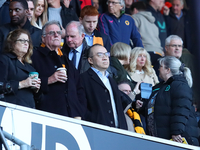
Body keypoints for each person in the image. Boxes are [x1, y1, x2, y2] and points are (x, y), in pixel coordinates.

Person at [31, 20, 86, 119]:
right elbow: (29, 83)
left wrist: (79, 111)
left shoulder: (66, 59)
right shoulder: (35, 56)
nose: (56, 35)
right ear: (43, 38)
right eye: (52, 33)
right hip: (48, 115)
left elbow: (79, 88)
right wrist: (49, 80)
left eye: (59, 33)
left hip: (73, 117)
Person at [144, 56, 199, 146]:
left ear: (167, 70)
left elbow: (181, 109)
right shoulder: (160, 86)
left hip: (178, 138)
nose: (158, 69)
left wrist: (176, 131)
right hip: (162, 137)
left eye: (160, 66)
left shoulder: (180, 85)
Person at [80, 44, 127, 129]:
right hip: (95, 131)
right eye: (100, 55)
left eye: (106, 54)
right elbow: (82, 108)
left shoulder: (111, 80)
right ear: (90, 60)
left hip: (117, 132)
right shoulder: (83, 79)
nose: (105, 57)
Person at [0, 29, 41, 108]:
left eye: (28, 41)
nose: (26, 43)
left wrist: (36, 90)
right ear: (12, 43)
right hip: (10, 109)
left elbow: (37, 98)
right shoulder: (4, 60)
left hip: (29, 110)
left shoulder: (30, 67)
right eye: (22, 40)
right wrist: (23, 84)